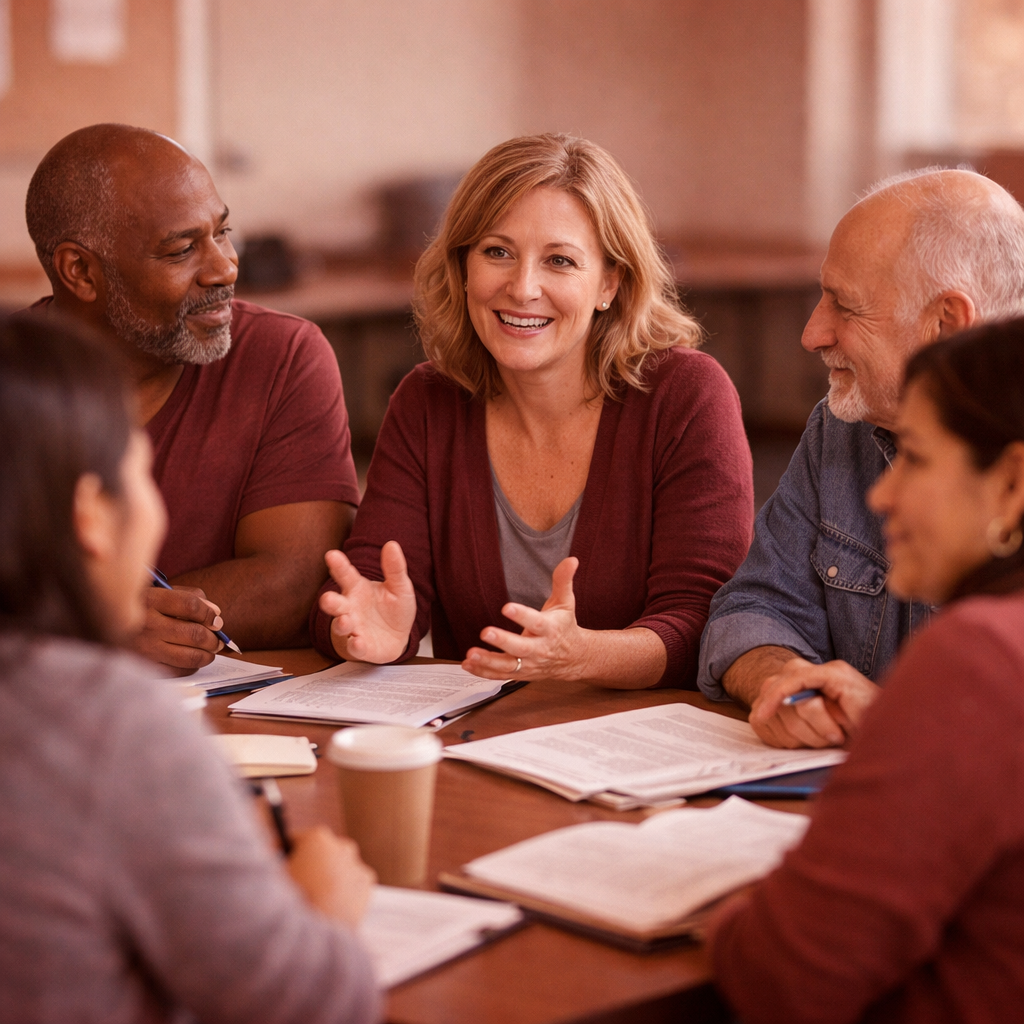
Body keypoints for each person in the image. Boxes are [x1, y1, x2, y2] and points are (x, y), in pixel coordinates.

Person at [0, 313, 380, 1024]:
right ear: (90, 514)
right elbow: (313, 1004)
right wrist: (320, 899)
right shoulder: (107, 723)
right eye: (139, 473)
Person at [310, 133, 753, 689]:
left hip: (640, 753)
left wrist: (580, 656)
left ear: (609, 284)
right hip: (481, 745)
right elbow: (372, 587)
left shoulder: (686, 396)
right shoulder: (428, 402)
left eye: (560, 261)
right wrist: (362, 633)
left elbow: (705, 624)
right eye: (497, 252)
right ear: (464, 266)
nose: (522, 288)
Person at [709, 320, 1024, 1024]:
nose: (882, 498)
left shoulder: (981, 658)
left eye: (913, 457)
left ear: (1010, 483)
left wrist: (728, 900)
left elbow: (780, 976)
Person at [697, 167, 1024, 746]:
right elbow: (752, 606)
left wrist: (906, 722)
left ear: (946, 324)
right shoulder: (846, 423)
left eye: (844, 306)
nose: (812, 333)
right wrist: (787, 680)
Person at [24, 124, 360, 671]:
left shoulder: (283, 355)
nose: (225, 267)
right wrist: (95, 625)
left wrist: (96, 619)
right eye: (182, 249)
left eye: (223, 232)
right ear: (80, 271)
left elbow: (295, 583)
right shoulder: (17, 382)